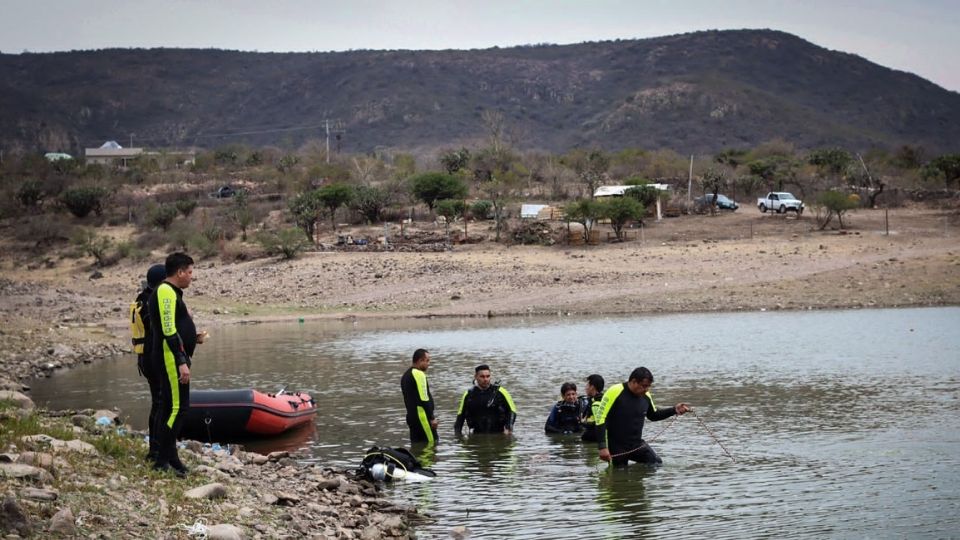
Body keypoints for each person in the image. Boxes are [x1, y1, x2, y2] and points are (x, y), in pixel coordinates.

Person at [148, 252, 205, 476]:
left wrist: (192, 336)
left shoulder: (172, 293)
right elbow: (168, 329)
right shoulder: (164, 291)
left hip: (173, 356)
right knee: (176, 409)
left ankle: (172, 458)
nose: (192, 277)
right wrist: (181, 361)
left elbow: (176, 326)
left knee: (174, 408)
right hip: (169, 358)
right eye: (190, 272)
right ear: (180, 272)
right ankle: (162, 461)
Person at [596, 367, 690, 467]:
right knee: (620, 476)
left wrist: (674, 410)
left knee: (656, 463)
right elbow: (600, 418)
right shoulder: (615, 391)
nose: (646, 389)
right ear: (633, 381)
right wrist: (602, 447)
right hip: (617, 446)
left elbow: (653, 415)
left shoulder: (646, 396)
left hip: (636, 444)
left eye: (649, 386)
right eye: (644, 386)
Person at [130, 263, 166, 463]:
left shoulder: (141, 298)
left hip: (144, 358)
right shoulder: (152, 301)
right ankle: (156, 450)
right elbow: (157, 332)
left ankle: (155, 448)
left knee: (157, 404)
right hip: (153, 358)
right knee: (161, 404)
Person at [454, 364, 517, 436]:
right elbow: (460, 416)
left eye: (488, 376)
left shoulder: (500, 391)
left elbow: (512, 410)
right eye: (482, 376)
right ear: (476, 377)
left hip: (499, 433)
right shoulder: (469, 394)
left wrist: (509, 427)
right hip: (476, 434)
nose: (485, 379)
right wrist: (458, 437)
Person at [400, 348, 438, 444]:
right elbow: (424, 398)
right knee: (431, 443)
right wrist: (432, 418)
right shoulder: (419, 374)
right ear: (420, 360)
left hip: (411, 417)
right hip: (422, 417)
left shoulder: (406, 375)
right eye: (427, 361)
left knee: (417, 445)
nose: (428, 364)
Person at [580, 374, 605, 442]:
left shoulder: (596, 403)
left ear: (592, 387)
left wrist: (582, 422)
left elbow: (598, 423)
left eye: (587, 385)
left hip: (595, 438)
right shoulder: (602, 399)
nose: (585, 387)